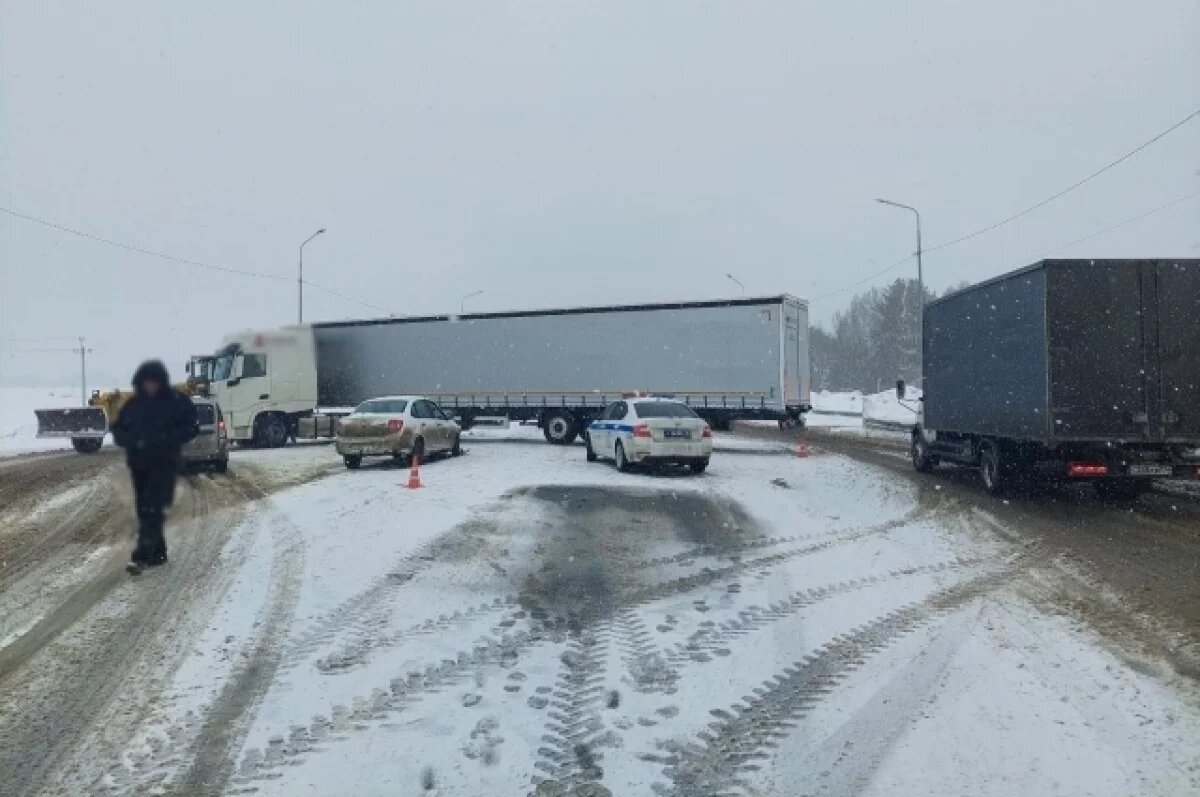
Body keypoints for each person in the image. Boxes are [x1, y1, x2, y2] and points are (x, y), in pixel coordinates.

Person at [110, 360, 198, 572]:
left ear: (161, 382)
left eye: (154, 382)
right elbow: (119, 433)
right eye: (146, 382)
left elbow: (192, 427)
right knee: (146, 511)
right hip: (139, 467)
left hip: (165, 464)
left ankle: (141, 556)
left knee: (153, 509)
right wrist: (128, 437)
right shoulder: (133, 405)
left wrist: (169, 438)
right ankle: (158, 553)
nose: (150, 386)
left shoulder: (176, 401)